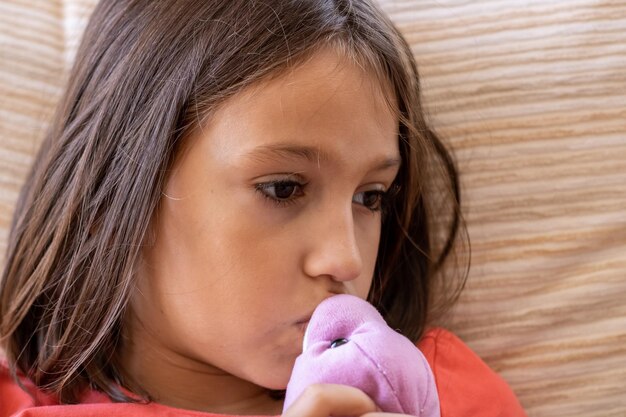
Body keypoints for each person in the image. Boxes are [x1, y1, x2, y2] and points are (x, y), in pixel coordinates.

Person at [0, 1, 527, 416]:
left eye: (370, 198)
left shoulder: (437, 392)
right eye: (283, 189)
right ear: (111, 192)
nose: (345, 260)